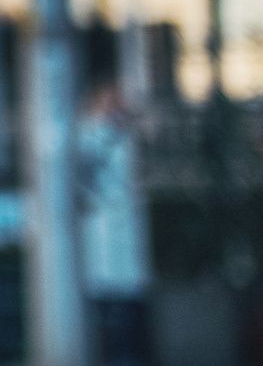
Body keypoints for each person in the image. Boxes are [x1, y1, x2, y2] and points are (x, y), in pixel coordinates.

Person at [75, 74, 153, 366]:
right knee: (110, 309)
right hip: (104, 234)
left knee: (127, 307)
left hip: (121, 235)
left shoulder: (126, 136)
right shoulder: (90, 136)